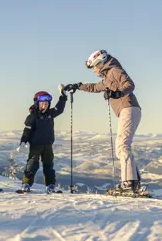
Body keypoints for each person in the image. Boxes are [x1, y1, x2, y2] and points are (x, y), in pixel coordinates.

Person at [66, 50, 142, 193]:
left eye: (94, 67)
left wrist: (117, 93)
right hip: (129, 109)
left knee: (122, 146)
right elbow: (95, 87)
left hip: (128, 107)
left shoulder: (114, 70)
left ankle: (129, 184)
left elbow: (130, 84)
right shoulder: (108, 77)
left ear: (100, 63)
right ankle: (133, 182)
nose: (94, 71)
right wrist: (77, 86)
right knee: (124, 146)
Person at [18, 87, 67, 193]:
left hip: (48, 145)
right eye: (42, 104)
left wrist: (63, 97)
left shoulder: (50, 114)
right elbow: (27, 131)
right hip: (36, 145)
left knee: (48, 166)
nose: (44, 106)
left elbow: (60, 108)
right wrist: (23, 142)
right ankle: (26, 183)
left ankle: (50, 185)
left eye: (46, 104)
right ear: (37, 104)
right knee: (32, 165)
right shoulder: (32, 117)